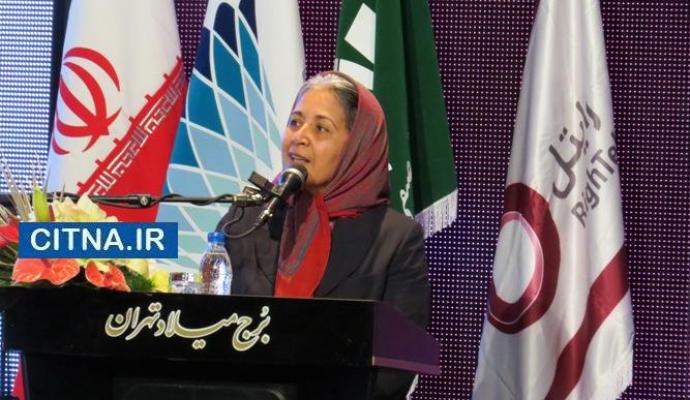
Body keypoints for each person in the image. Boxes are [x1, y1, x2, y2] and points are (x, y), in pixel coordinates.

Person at [217, 71, 430, 399]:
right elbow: (210, 326)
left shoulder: (395, 239)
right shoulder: (248, 218)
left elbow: (397, 364)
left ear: (356, 145)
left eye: (321, 128)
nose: (300, 137)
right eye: (295, 122)